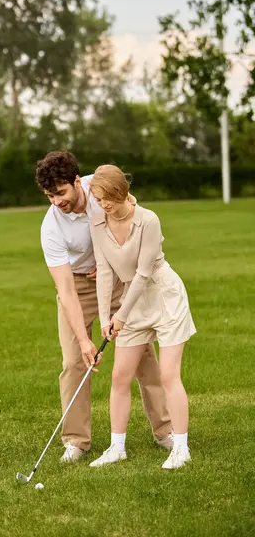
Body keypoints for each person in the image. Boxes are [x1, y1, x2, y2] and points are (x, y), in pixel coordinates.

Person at [35, 151, 173, 463]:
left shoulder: (101, 190)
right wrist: (85, 342)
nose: (56, 201)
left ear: (76, 182)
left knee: (142, 354)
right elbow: (65, 290)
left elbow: (133, 218)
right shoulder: (51, 228)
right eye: (49, 196)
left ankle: (165, 430)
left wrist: (112, 257)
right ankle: (76, 441)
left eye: (60, 193)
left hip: (118, 279)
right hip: (78, 285)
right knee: (73, 362)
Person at [88, 164, 196, 470]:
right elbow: (105, 270)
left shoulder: (148, 220)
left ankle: (181, 448)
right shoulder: (97, 223)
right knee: (120, 376)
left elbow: (144, 273)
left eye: (108, 197)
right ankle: (116, 447)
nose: (104, 204)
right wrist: (107, 316)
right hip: (130, 304)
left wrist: (120, 315)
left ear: (121, 191)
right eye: (98, 199)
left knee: (167, 375)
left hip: (164, 296)